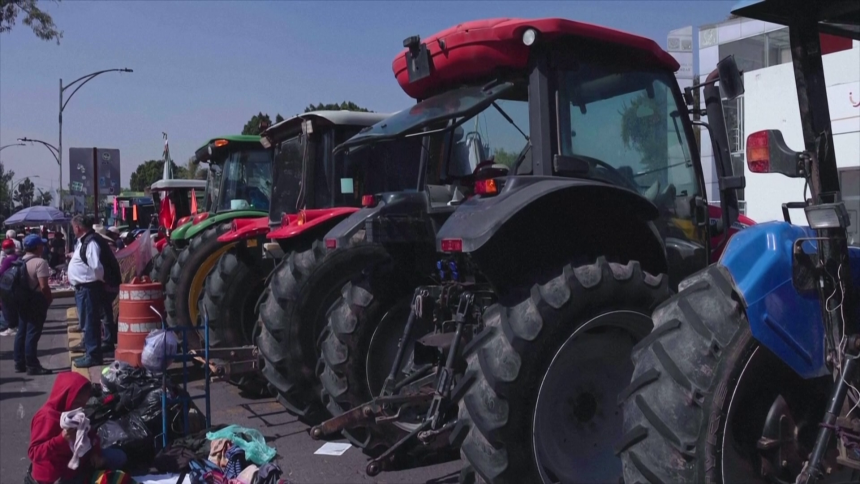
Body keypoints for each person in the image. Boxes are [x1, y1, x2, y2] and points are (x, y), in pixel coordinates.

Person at [27, 372, 127, 484]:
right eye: (78, 403)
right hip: (57, 475)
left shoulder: (73, 414)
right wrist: (60, 440)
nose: (81, 408)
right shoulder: (46, 417)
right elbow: (34, 453)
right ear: (64, 396)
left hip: (78, 461)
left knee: (120, 456)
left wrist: (95, 453)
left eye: (83, 404)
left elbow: (91, 435)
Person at [68, 215, 120, 367]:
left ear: (78, 227)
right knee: (89, 321)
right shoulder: (86, 241)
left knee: (90, 322)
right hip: (86, 287)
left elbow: (96, 267)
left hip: (88, 288)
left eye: (73, 227)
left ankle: (93, 355)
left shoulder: (91, 242)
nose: (73, 230)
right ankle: (92, 352)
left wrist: (100, 280)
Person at [13, 234, 53, 375]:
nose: (43, 247)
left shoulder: (19, 261)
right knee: (32, 333)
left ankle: (19, 362)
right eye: (41, 245)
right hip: (35, 300)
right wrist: (49, 299)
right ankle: (33, 365)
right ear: (37, 247)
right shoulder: (40, 262)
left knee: (22, 331)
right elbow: (43, 286)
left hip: (21, 300)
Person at [0, 238, 20, 336]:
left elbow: (1, 272)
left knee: (7, 307)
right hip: (15, 286)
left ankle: (12, 327)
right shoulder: (17, 257)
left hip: (7, 286)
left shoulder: (8, 260)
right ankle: (14, 326)